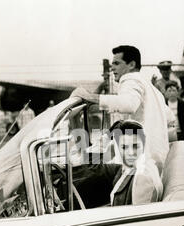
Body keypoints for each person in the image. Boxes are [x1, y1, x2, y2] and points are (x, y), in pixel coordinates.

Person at [70, 45, 170, 173]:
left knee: (79, 171)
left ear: (131, 65)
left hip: (139, 163)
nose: (112, 68)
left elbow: (129, 104)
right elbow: (170, 118)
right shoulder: (152, 88)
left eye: (117, 63)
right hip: (156, 161)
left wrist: (89, 97)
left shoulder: (130, 79)